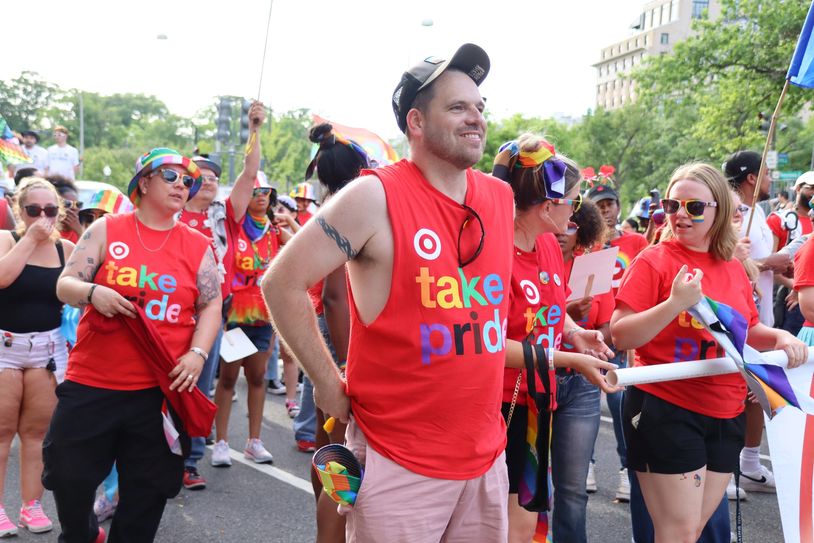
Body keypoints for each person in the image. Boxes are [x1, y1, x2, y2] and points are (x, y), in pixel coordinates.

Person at [266, 43, 517, 541]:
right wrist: (325, 379)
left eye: (480, 107)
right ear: (417, 123)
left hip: (486, 460)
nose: (476, 118)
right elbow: (282, 282)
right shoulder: (373, 196)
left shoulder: (500, 197)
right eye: (458, 107)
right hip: (398, 461)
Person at [611, 162, 807, 542]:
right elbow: (621, 336)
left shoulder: (733, 266)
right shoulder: (654, 260)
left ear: (718, 210)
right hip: (666, 409)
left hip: (726, 411)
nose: (681, 215)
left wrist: (780, 337)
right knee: (679, 532)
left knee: (694, 530)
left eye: (694, 207)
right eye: (673, 205)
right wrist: (673, 304)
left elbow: (747, 329)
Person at [44, 147, 221, 543]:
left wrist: (198, 353)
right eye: (171, 177)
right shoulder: (108, 229)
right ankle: (84, 533)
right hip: (93, 382)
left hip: (159, 390)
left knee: (147, 493)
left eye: (188, 181)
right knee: (68, 477)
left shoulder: (196, 245)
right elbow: (64, 285)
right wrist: (93, 293)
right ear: (144, 181)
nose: (182, 185)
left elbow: (211, 305)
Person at [491, 136, 616, 543]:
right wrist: (567, 360)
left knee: (526, 519)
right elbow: (488, 344)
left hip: (537, 403)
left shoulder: (547, 244)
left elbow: (552, 308)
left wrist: (576, 333)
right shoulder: (493, 254)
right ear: (548, 206)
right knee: (496, 522)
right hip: (496, 407)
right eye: (574, 202)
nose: (578, 212)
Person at [176, 101, 266, 490]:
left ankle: (190, 460)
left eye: (214, 175)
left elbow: (249, 174)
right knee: (164, 386)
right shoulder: (172, 212)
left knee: (199, 386)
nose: (210, 180)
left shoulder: (224, 214)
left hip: (213, 315)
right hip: (172, 313)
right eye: (203, 175)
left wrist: (254, 129)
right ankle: (155, 455)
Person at [0, 178, 75, 536]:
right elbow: (2, 278)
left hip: (48, 349)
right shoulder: (6, 239)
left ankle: (32, 505)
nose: (42, 217)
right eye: (33, 211)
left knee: (36, 433)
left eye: (49, 210)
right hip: (5, 347)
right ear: (20, 210)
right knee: (1, 433)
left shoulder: (67, 249)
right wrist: (29, 239)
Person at [722, 150, 789, 497]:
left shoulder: (759, 212)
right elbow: (731, 261)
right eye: (765, 174)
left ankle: (749, 464)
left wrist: (790, 280)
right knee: (735, 389)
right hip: (738, 320)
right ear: (752, 177)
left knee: (756, 394)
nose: (769, 181)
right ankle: (726, 467)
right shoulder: (732, 215)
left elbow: (755, 267)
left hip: (762, 318)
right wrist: (769, 261)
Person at [211, 173, 284, 467]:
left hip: (264, 317)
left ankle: (254, 441)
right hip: (235, 315)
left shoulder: (274, 230)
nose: (261, 195)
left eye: (265, 191)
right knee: (228, 379)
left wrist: (289, 225)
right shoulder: (234, 228)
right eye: (255, 192)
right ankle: (221, 442)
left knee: (257, 378)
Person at [585, 176, 648, 501]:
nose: (606, 211)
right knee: (586, 407)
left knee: (621, 405)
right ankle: (588, 465)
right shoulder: (588, 245)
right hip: (592, 333)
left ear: (618, 207)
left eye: (610, 205)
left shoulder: (636, 243)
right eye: (599, 206)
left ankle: (627, 470)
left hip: (621, 335)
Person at [47, 175, 85, 244]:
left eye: (78, 204)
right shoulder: (47, 230)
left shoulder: (82, 229)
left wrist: (80, 232)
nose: (73, 208)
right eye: (67, 204)